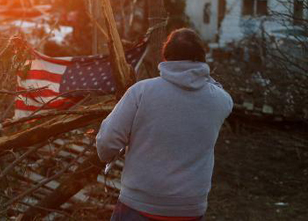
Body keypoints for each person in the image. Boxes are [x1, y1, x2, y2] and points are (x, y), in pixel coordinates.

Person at [96, 28, 233, 221]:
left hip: (138, 206)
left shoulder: (141, 92)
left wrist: (108, 156)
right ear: (202, 59)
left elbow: (106, 143)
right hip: (190, 209)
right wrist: (202, 73)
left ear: (166, 57)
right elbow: (215, 87)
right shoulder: (221, 100)